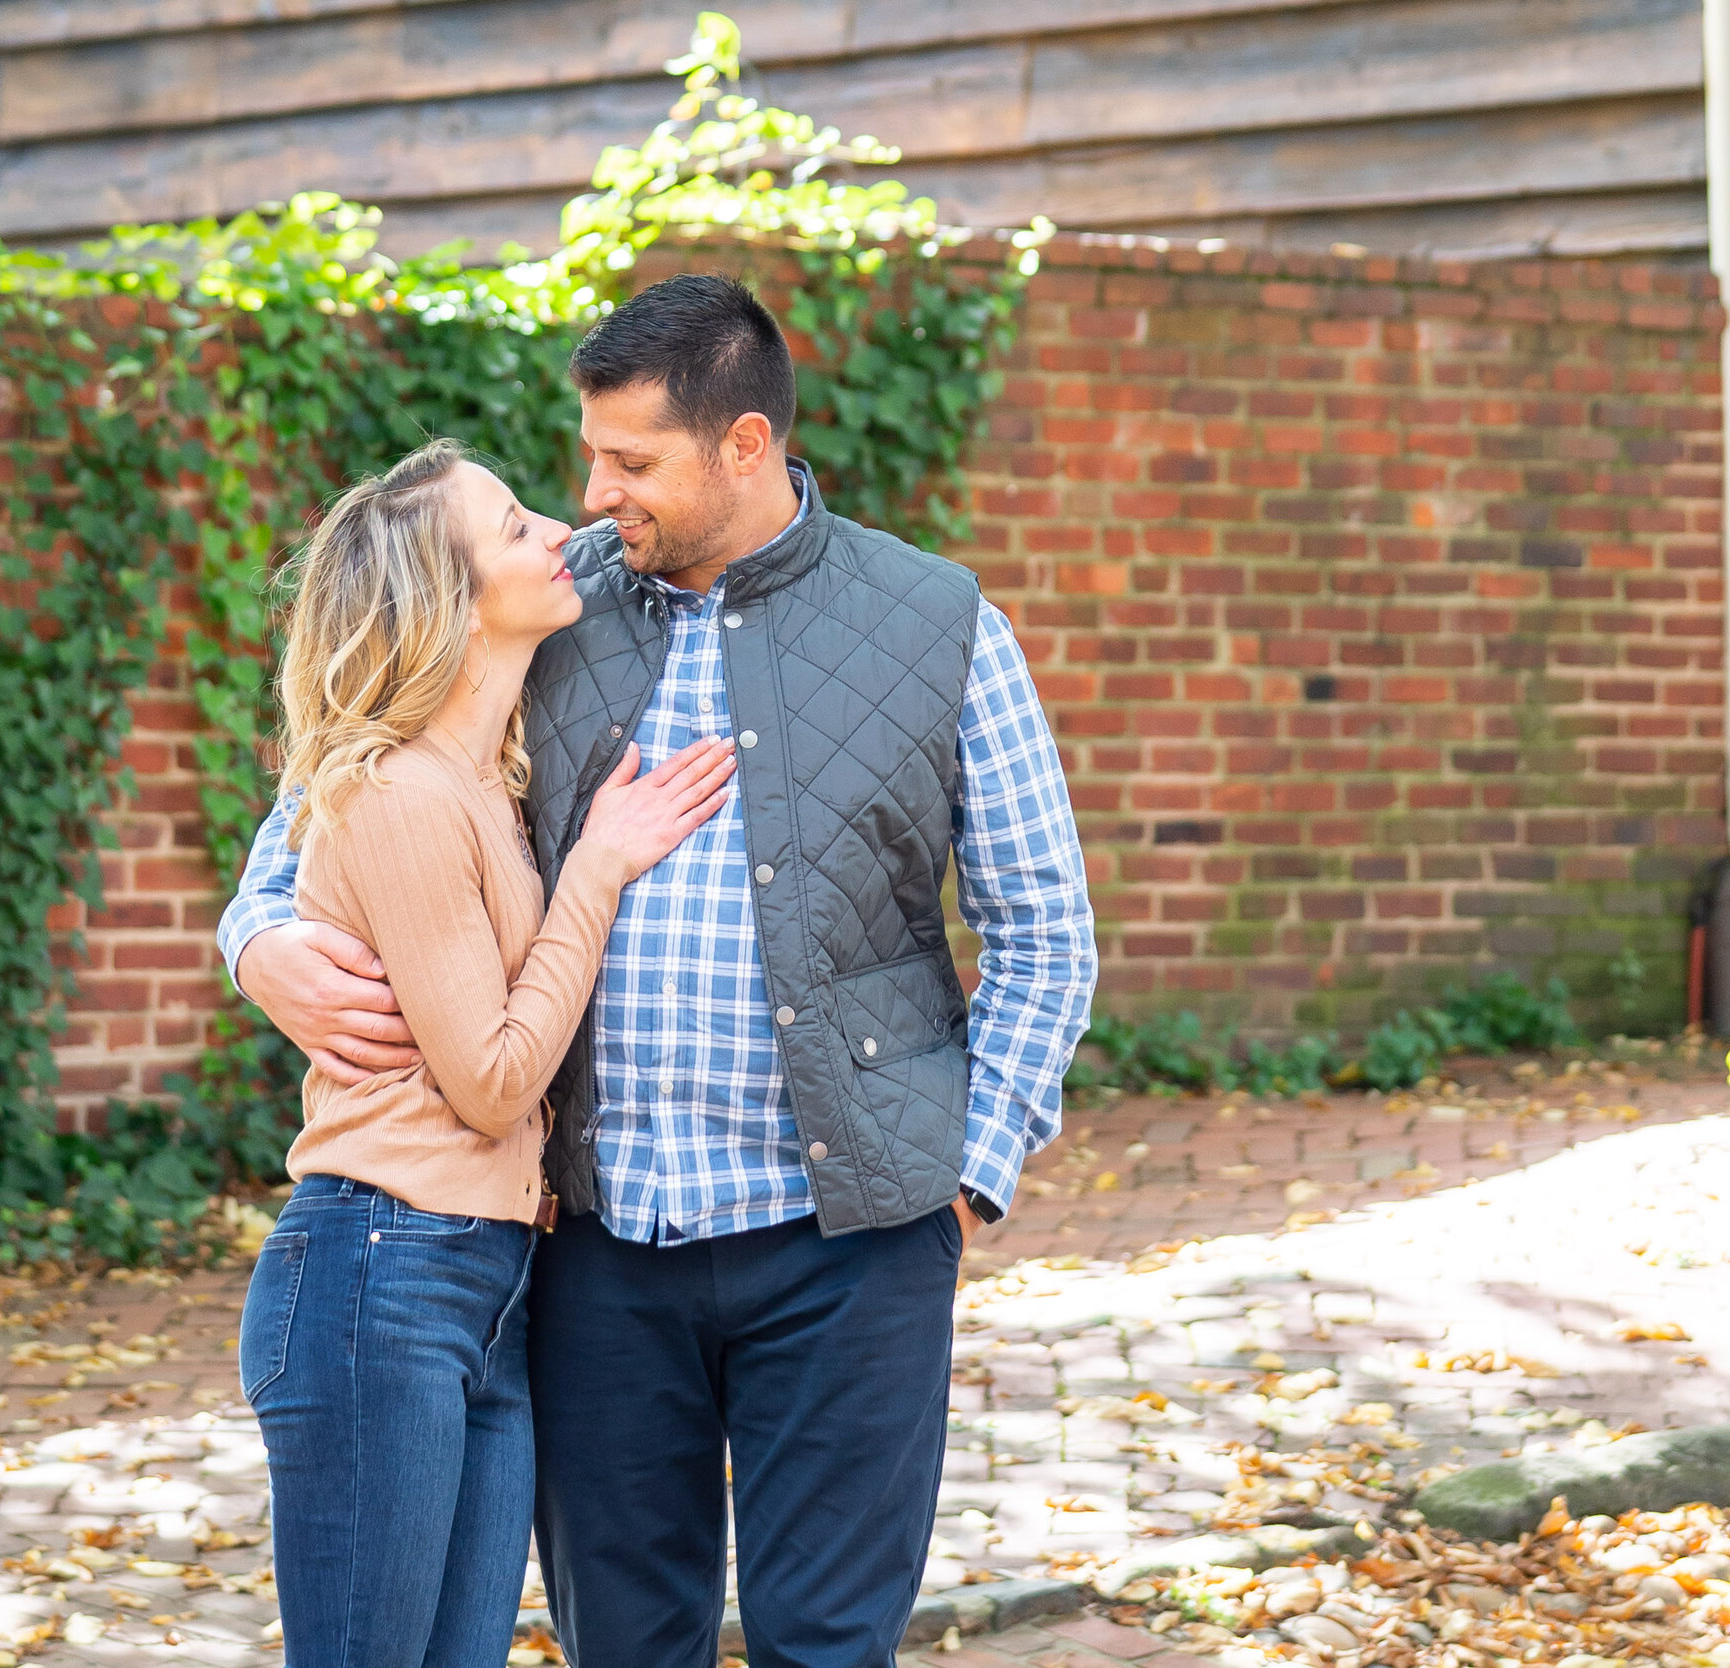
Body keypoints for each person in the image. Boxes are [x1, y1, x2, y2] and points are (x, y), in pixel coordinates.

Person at [221, 275, 1097, 1668]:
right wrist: (258, 938)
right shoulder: (549, 596)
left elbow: (1043, 924)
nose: (594, 493)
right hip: (594, 1258)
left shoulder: (941, 627)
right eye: (589, 456)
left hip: (852, 1248)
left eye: (633, 461)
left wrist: (970, 1179)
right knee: (623, 1645)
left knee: (828, 1645)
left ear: (743, 445)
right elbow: (335, 781)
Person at [237, 436, 737, 1668]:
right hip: (380, 1277)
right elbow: (494, 1079)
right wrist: (602, 870)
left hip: (488, 1284)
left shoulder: (482, 787)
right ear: (447, 605)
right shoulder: (406, 796)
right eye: (514, 528)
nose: (560, 531)